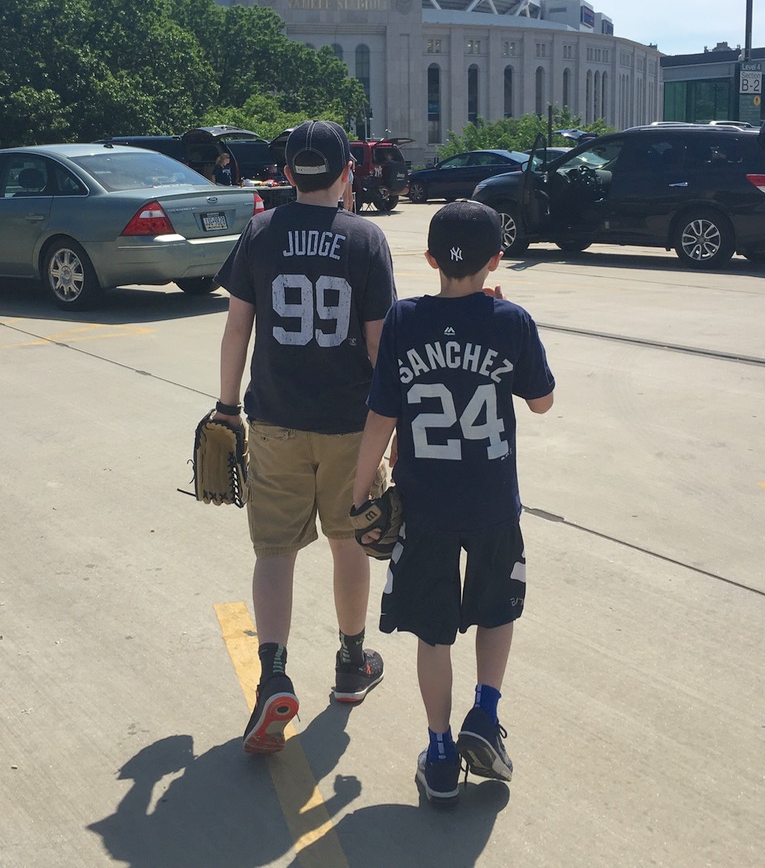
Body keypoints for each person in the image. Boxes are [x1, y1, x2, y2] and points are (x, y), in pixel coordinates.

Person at [351, 200, 555, 805]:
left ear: (431, 258)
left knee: (434, 633)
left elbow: (380, 418)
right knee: (496, 610)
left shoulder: (404, 320)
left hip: (425, 506)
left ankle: (440, 754)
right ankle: (484, 715)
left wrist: (359, 493)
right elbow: (542, 402)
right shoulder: (510, 320)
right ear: (497, 258)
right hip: (492, 503)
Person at [213, 120, 397, 755]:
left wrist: (226, 408)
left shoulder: (261, 233)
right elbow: (378, 344)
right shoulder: (367, 239)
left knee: (275, 551)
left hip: (275, 422)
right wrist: (393, 426)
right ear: (348, 173)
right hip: (351, 424)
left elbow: (238, 329)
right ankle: (350, 663)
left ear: (288, 174)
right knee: (349, 543)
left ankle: (273, 675)